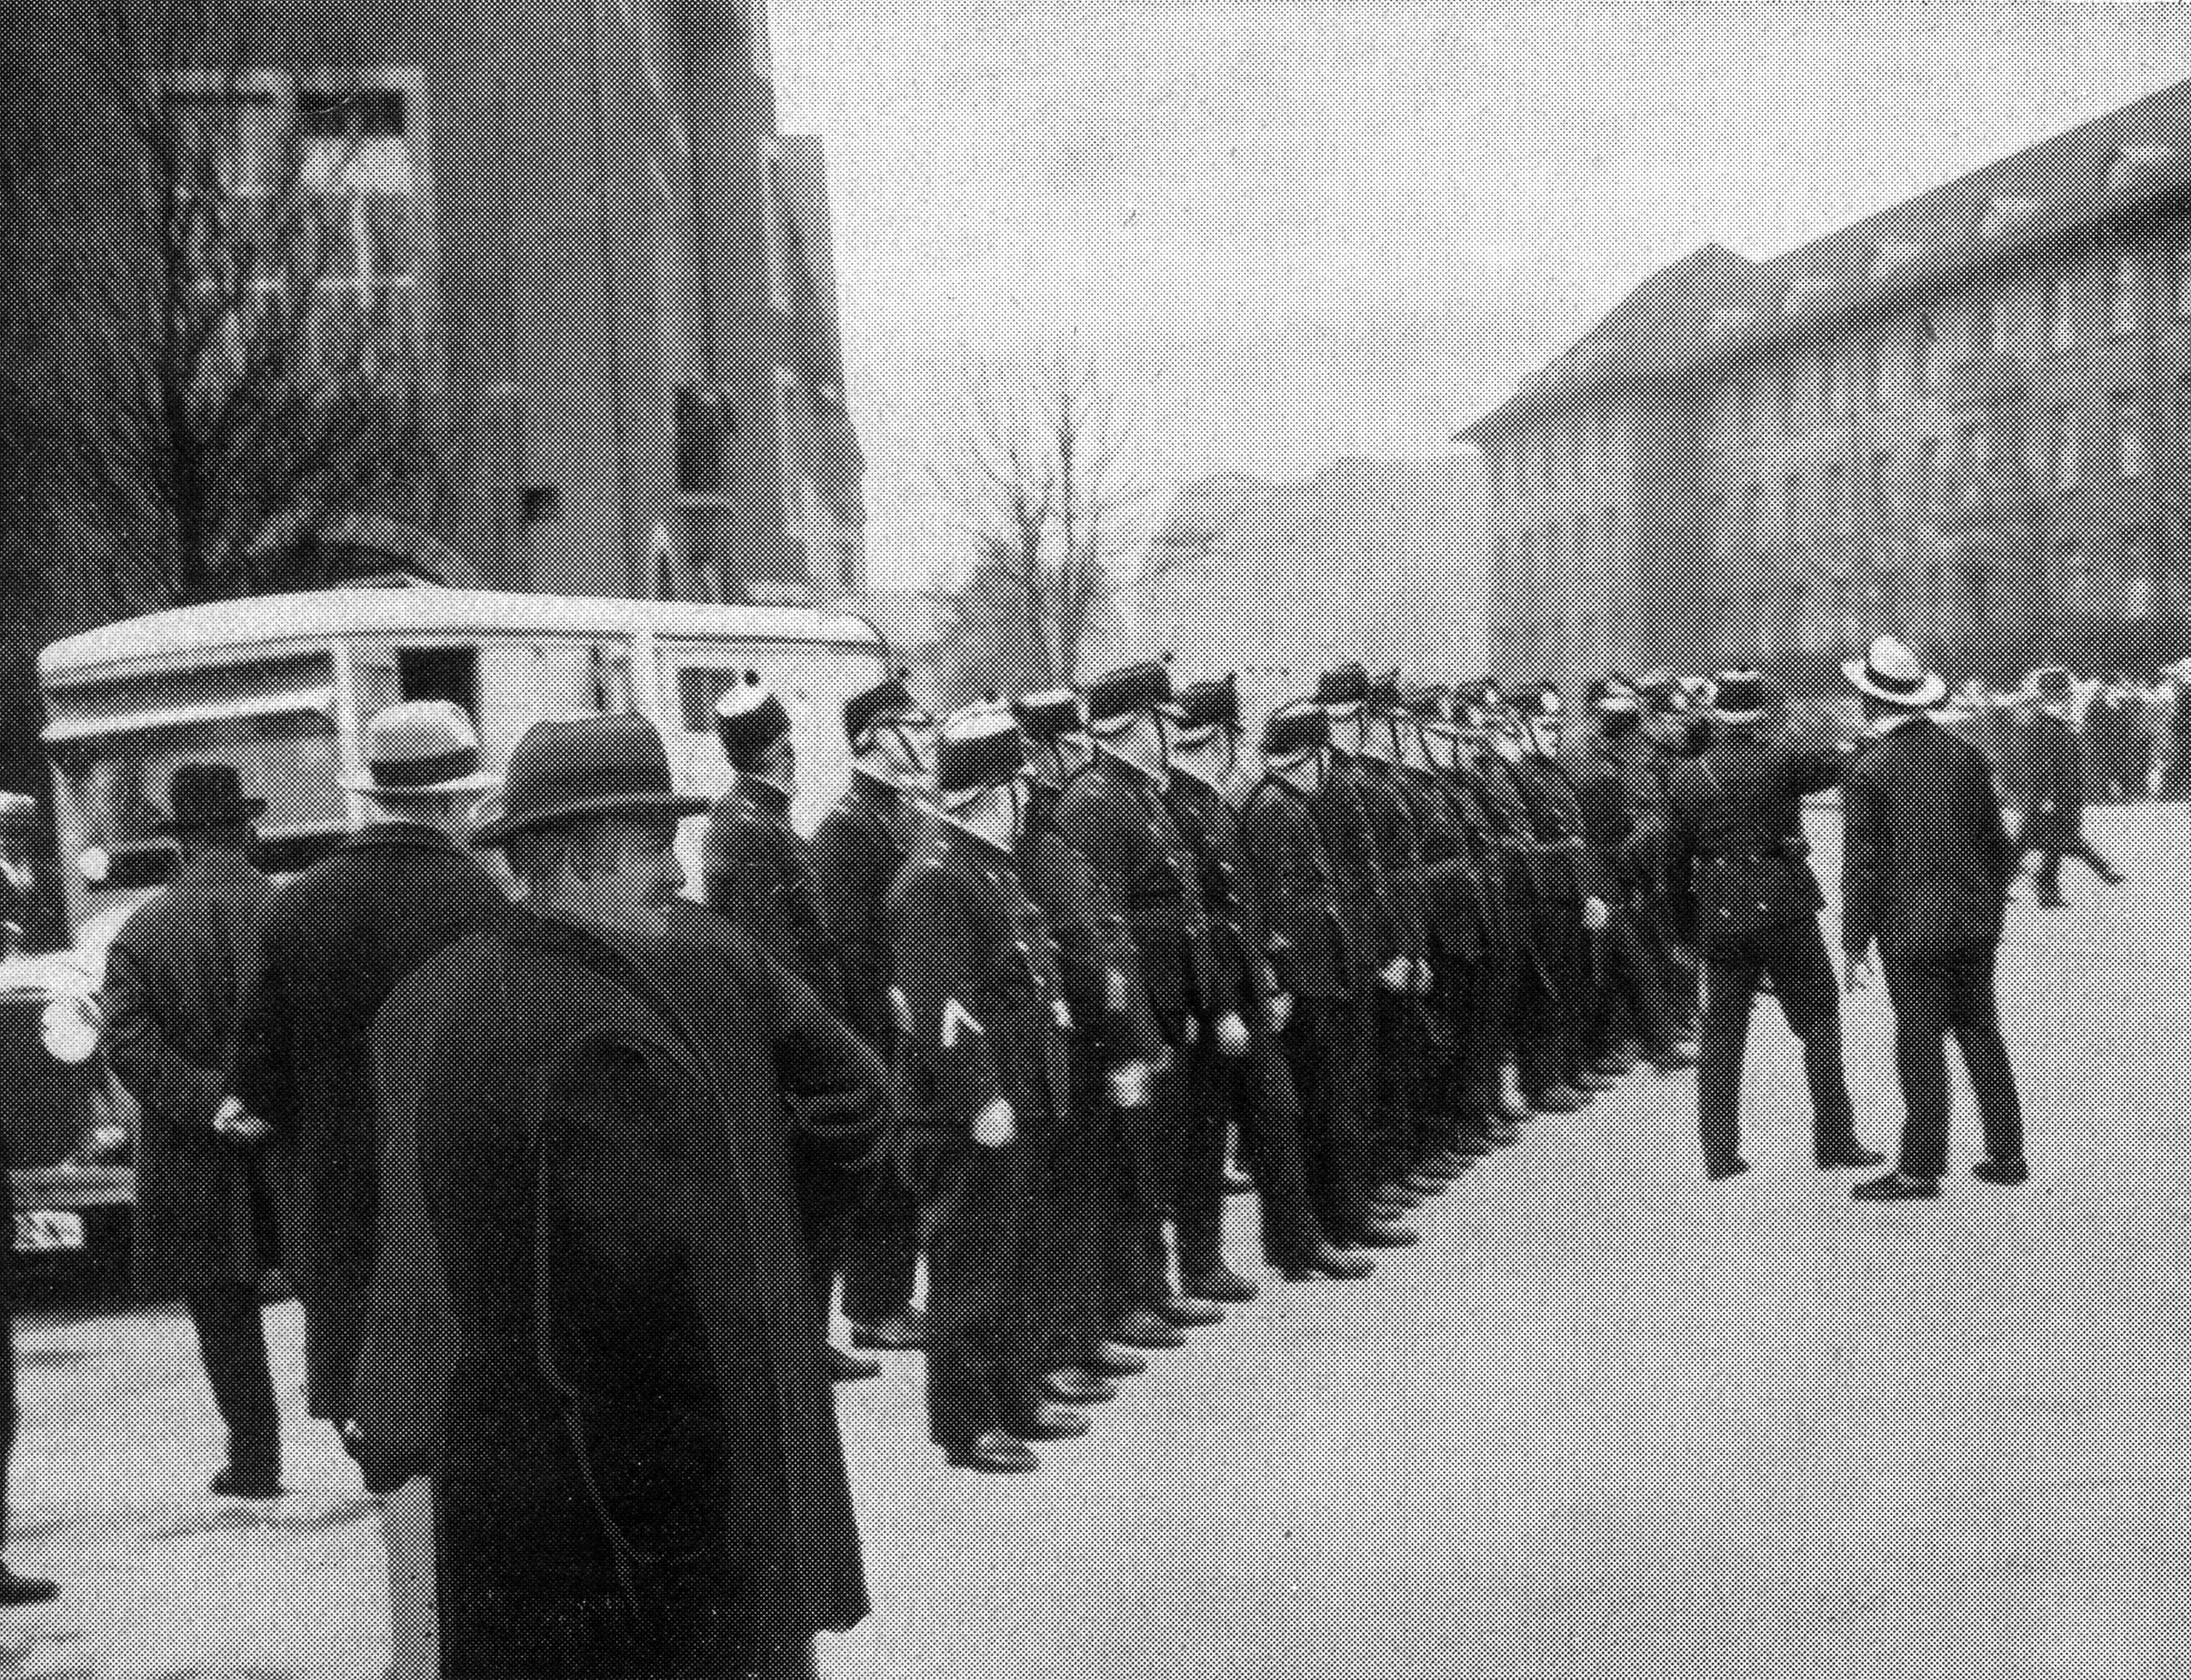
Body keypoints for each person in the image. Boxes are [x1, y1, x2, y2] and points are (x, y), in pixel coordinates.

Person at [360, 711, 885, 1679]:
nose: (680, 876)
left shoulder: (467, 998)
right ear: (572, 858)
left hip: (506, 1519)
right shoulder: (602, 1042)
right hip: (610, 1546)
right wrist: (691, 1567)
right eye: (653, 848)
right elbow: (627, 1364)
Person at [225, 703, 508, 1457]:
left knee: (376, 1400)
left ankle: (398, 1519)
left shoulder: (298, 902)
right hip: (462, 1178)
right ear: (455, 799)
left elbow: (258, 1065)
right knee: (475, 1387)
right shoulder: (487, 901)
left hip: (344, 1187)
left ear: (377, 795)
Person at [889, 703, 1090, 1470]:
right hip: (969, 1106)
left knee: (1011, 1251)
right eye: (1016, 786)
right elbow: (945, 1003)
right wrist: (981, 1098)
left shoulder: (981, 867)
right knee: (970, 1261)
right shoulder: (935, 879)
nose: (1027, 798)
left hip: (1017, 1084)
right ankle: (967, 1423)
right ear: (990, 794)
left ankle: (1012, 1394)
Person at [99, 765, 284, 1499]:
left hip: (190, 1153)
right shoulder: (287, 911)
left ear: (179, 843)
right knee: (330, 1289)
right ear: (246, 830)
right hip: (287, 1141)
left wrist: (212, 1104)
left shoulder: (141, 930)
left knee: (221, 1306)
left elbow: (128, 1041)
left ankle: (255, 1460)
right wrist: (268, 1100)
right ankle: (370, 1442)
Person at [1053, 662, 1238, 1345]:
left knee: (1169, 1144)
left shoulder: (1135, 794)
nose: (1175, 733)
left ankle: (1157, 1282)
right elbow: (1101, 925)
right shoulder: (1094, 802)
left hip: (1168, 996)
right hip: (1134, 1005)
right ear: (1139, 725)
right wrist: (1134, 1019)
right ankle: (1129, 1294)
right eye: (1165, 721)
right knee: (1133, 1155)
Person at [702, 673, 879, 1381]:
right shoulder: (745, 831)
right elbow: (768, 950)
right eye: (788, 745)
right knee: (803, 1200)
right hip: (783, 1043)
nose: (796, 755)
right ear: (776, 751)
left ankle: (809, 1333)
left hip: (801, 1028)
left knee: (816, 1202)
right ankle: (797, 1341)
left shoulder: (760, 822)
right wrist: (803, 1042)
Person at [1663, 674, 1880, 1180]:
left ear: (1716, 715)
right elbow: (1841, 765)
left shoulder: (1687, 777)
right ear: (1764, 714)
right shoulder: (1782, 759)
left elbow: (1671, 862)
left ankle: (1718, 1152)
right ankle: (1834, 1139)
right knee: (1820, 1023)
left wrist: (1681, 931)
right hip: (1784, 908)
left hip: (1720, 912)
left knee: (1723, 1033)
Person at [1841, 637, 2027, 1199]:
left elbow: (1864, 866)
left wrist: (1854, 942)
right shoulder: (1967, 755)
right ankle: (2007, 1151)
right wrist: (1990, 902)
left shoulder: (1869, 771)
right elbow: (1998, 844)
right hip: (1973, 923)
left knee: (1919, 1043)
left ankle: (1921, 1167)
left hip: (1911, 930)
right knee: (1980, 1031)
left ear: (1873, 704)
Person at [810, 674, 937, 1356]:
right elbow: (850, 943)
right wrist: (871, 1027)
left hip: (902, 1011)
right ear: (870, 741)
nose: (917, 735)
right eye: (903, 726)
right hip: (871, 1018)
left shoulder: (897, 817)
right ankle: (874, 1305)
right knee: (883, 1170)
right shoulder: (845, 828)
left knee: (902, 1167)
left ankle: (886, 1297)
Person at [2014, 667, 2123, 908]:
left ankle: (2042, 889)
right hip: (2052, 794)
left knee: (2050, 842)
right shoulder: (2045, 724)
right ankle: (2101, 871)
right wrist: (2047, 796)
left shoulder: (2059, 722)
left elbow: (2071, 760)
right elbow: (2042, 764)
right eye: (2064, 691)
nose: (2069, 695)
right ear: (2054, 693)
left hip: (2064, 794)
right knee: (2055, 840)